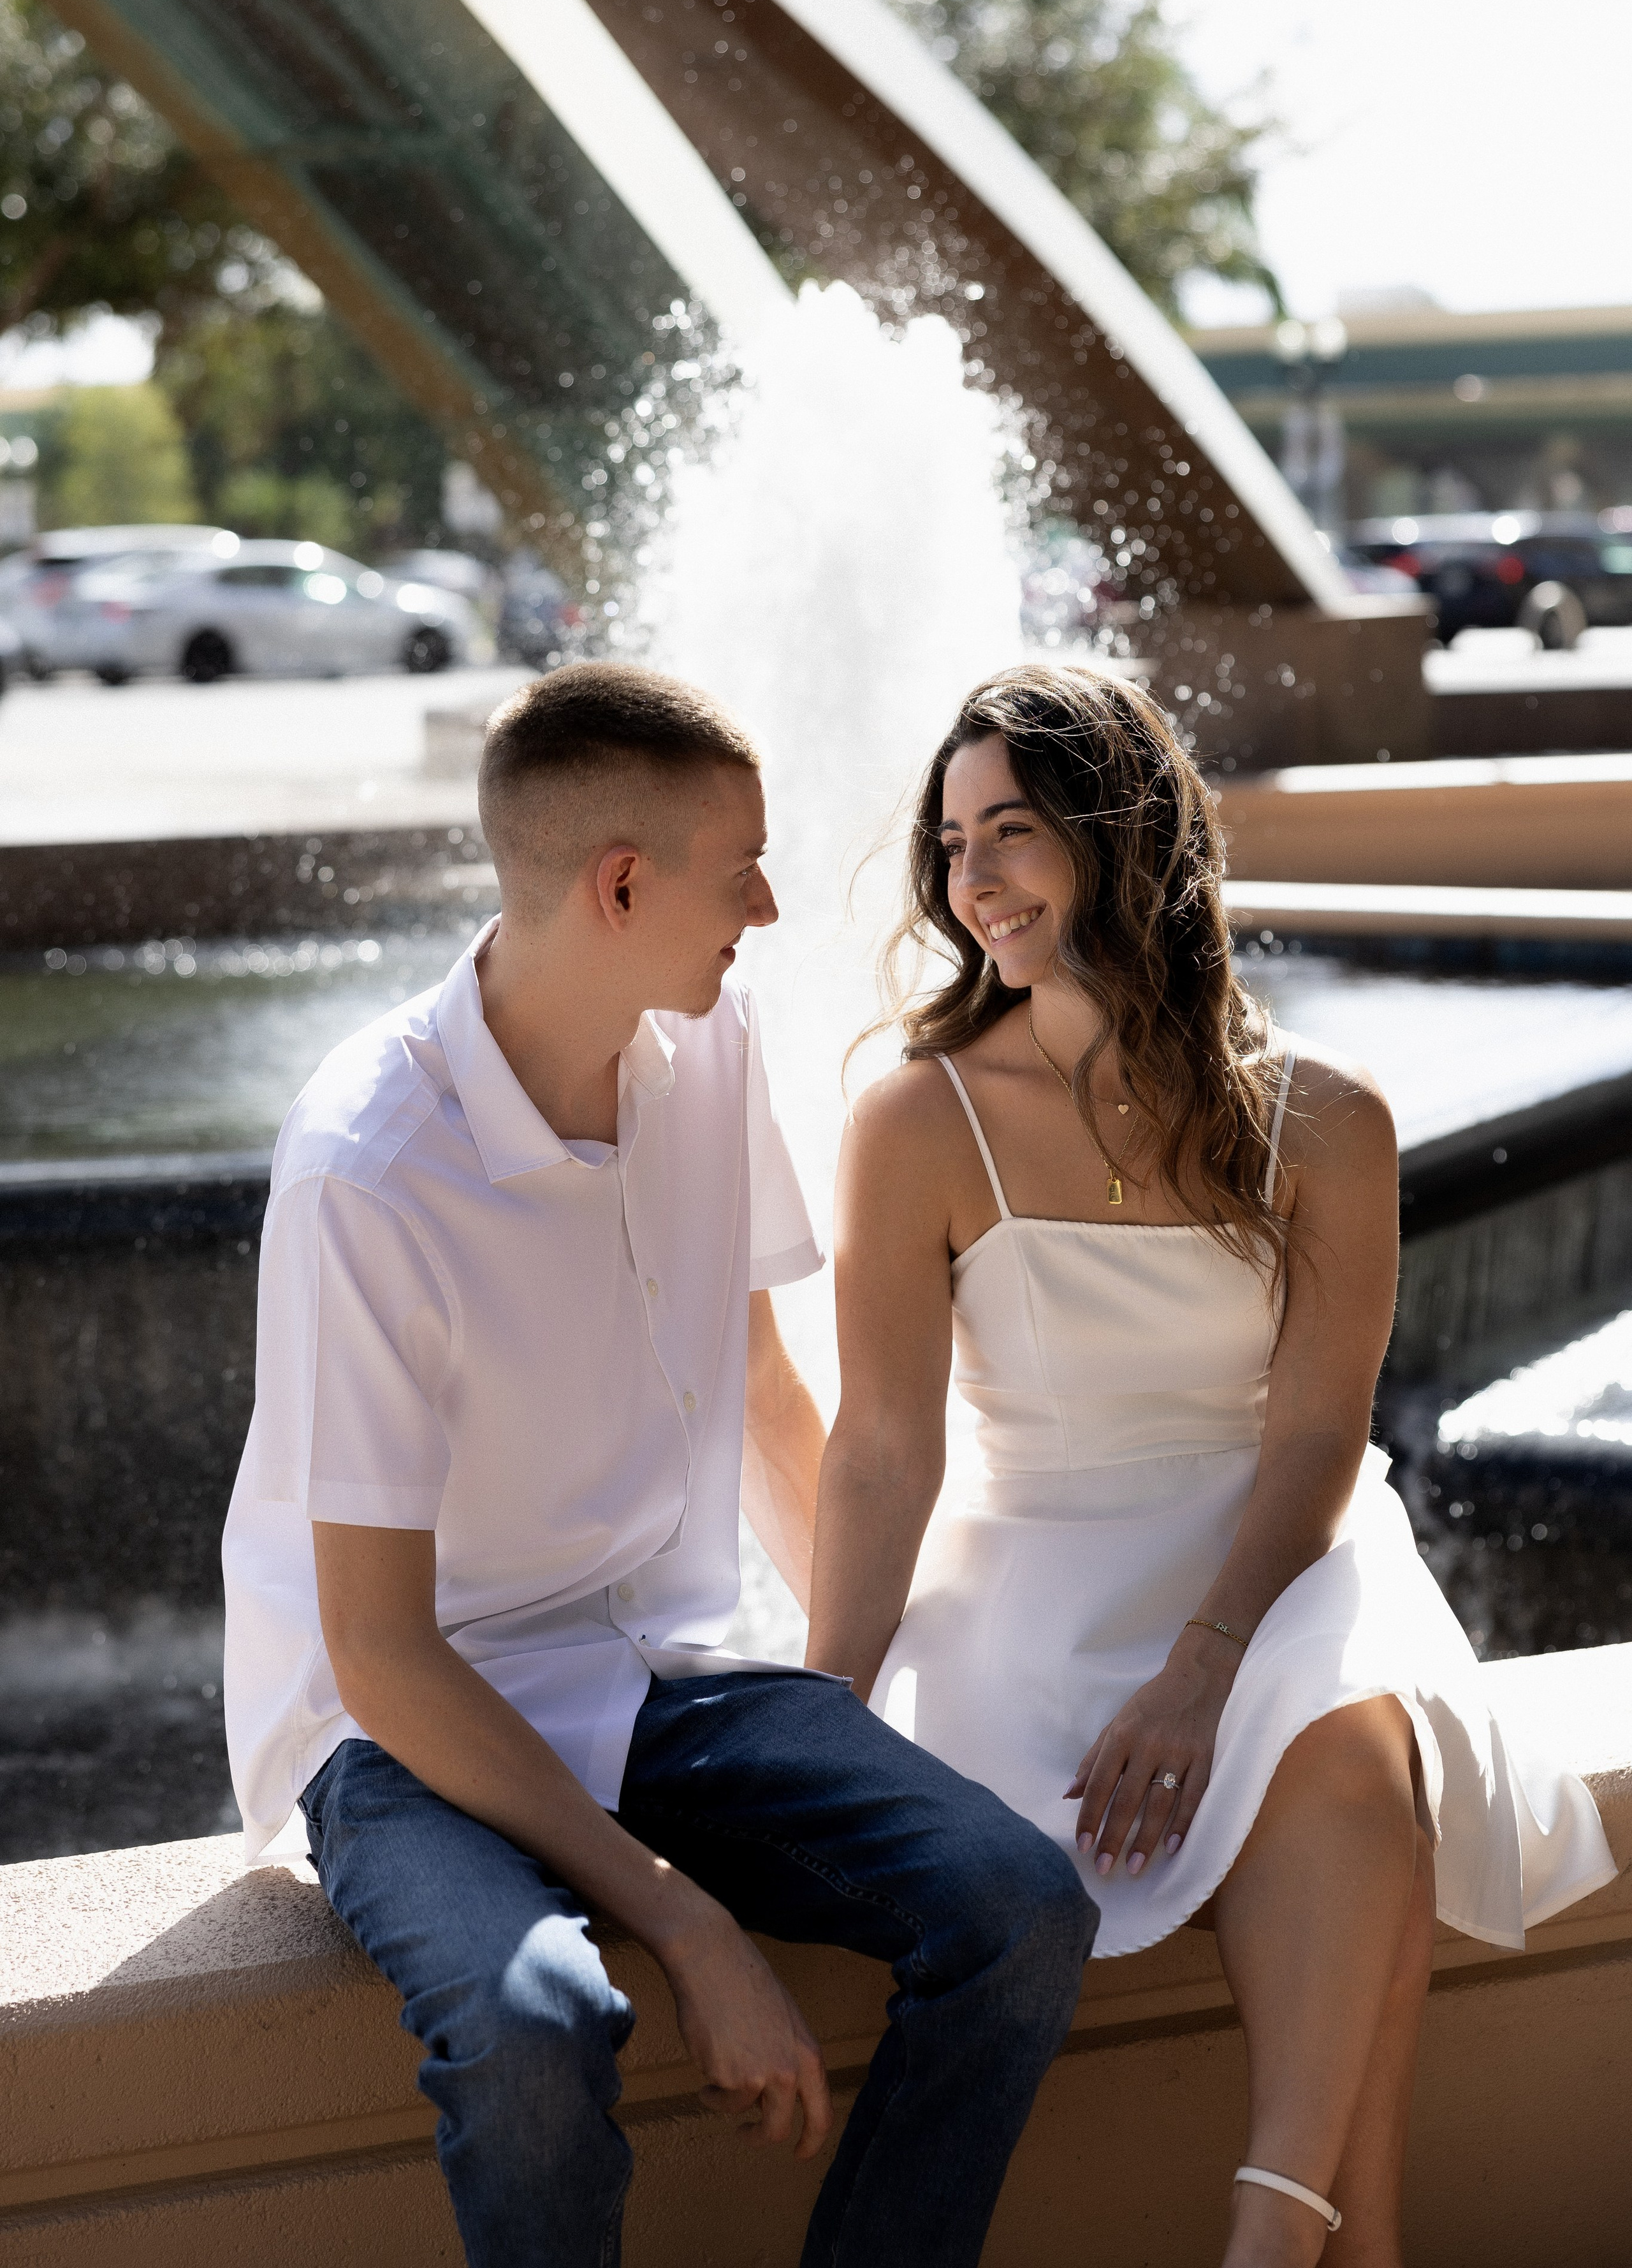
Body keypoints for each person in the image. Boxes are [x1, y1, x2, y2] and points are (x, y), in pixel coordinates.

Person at [222, 662, 1093, 2268]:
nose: (766, 905)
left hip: (647, 1675)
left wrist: (848, 1691)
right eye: (738, 868)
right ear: (620, 885)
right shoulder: (370, 1171)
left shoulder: (712, 1038)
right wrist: (689, 1923)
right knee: (539, 2022)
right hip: (408, 1729)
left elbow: (765, 1395)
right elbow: (379, 1651)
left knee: (1019, 1905)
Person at [806, 661, 1615, 2266]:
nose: (970, 878)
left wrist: (1202, 1665)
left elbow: (1319, 1434)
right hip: (1032, 1580)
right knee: (1367, 1806)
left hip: (1272, 1554)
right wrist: (810, 1720)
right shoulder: (916, 1121)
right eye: (951, 839)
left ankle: (1266, 2241)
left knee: (1343, 1729)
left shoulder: (1325, 1120)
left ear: (1120, 843)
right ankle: (1342, 2241)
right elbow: (885, 1448)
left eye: (1015, 830)